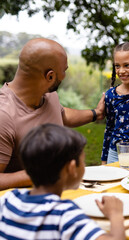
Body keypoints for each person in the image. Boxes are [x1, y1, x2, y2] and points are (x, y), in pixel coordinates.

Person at [0, 38, 105, 190]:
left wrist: (97, 113)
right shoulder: (4, 115)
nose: (64, 75)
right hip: (29, 207)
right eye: (64, 70)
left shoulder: (47, 95)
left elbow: (62, 114)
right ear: (49, 76)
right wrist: (47, 173)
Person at [0, 123, 125, 239]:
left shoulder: (8, 199)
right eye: (82, 161)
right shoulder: (64, 215)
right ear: (71, 168)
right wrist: (115, 214)